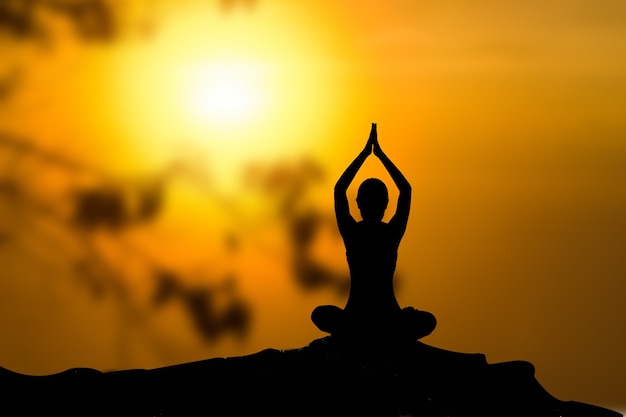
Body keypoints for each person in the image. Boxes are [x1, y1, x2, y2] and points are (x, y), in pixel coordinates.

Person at [311, 123, 436, 342]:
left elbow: (339, 189)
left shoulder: (356, 233)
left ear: (358, 203)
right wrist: (378, 154)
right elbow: (405, 190)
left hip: (362, 319)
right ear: (386, 204)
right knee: (425, 321)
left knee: (321, 315)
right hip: (378, 319)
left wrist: (366, 154)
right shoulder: (387, 233)